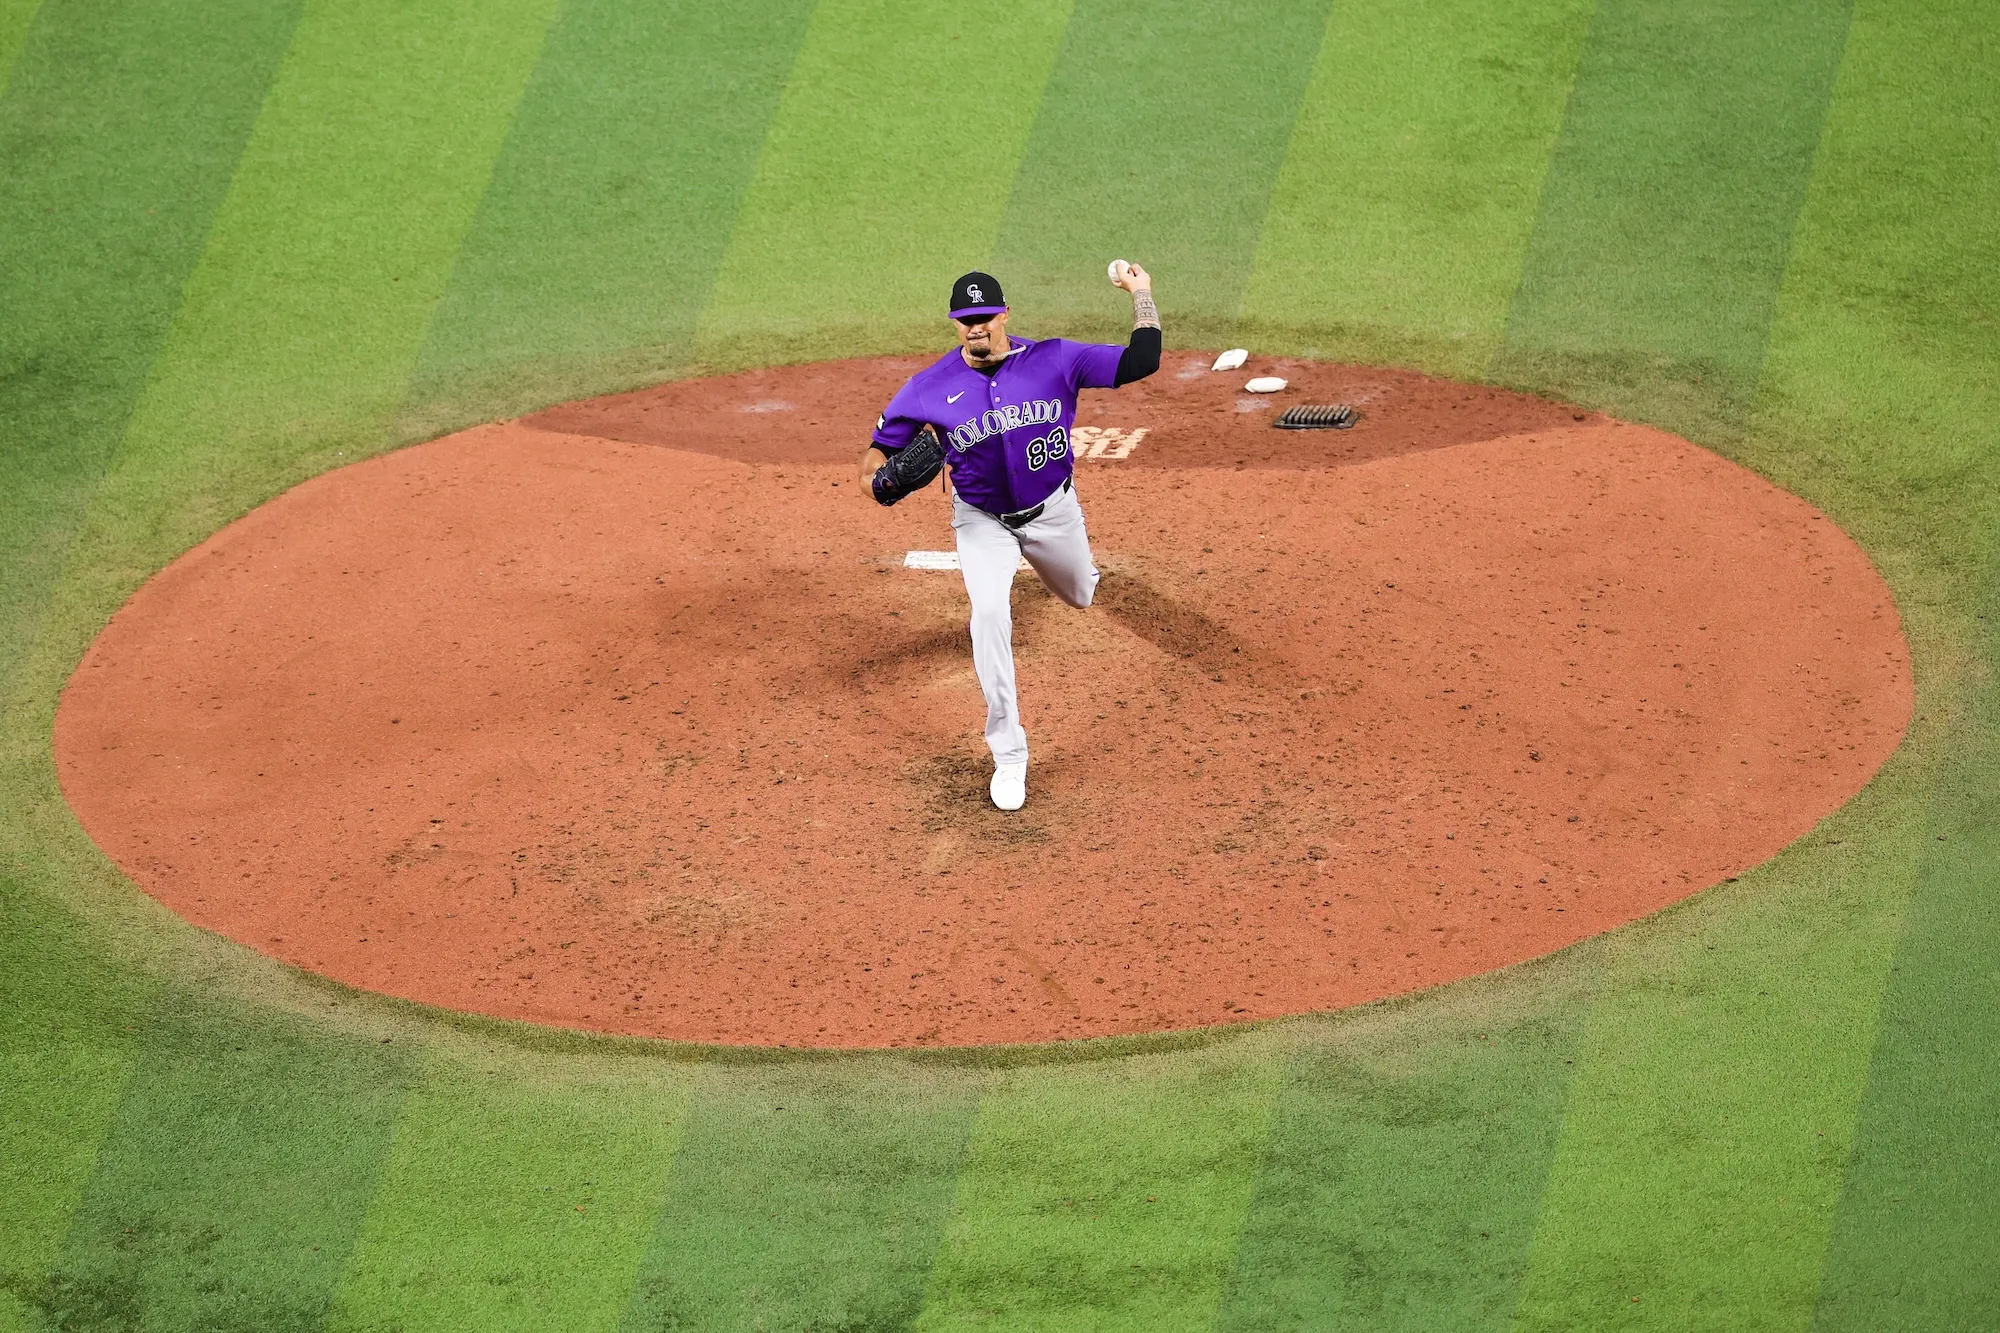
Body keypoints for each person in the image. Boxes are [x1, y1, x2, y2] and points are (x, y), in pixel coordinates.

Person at [858, 266, 1161, 810]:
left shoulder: (1056, 359)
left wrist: (1141, 295)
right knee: (990, 615)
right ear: (955, 325)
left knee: (1081, 594)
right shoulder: (928, 387)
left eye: (983, 317)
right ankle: (1010, 754)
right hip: (982, 521)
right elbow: (876, 454)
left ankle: (1073, 572)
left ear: (1004, 315)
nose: (975, 328)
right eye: (964, 321)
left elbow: (1143, 360)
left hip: (1053, 512)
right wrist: (879, 481)